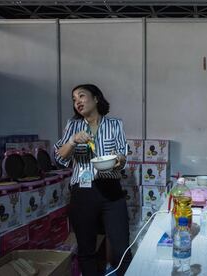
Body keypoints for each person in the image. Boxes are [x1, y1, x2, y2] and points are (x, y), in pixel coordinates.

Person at [54, 84, 131, 276]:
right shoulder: (73, 125)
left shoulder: (115, 124)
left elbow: (123, 157)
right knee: (87, 250)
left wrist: (119, 160)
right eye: (74, 99)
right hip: (83, 192)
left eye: (82, 96)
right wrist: (72, 141)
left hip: (111, 190)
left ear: (96, 98)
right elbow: (60, 158)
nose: (77, 101)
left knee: (121, 248)